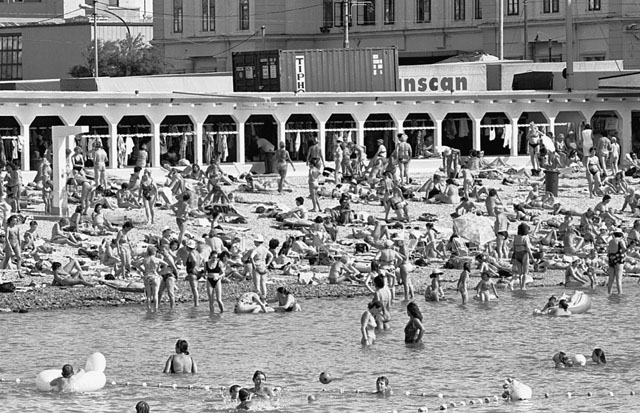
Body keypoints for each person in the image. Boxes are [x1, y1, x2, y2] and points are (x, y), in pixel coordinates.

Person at [141, 246, 165, 312]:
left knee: (148, 295)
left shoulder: (145, 259)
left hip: (147, 276)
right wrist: (160, 271)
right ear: (154, 252)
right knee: (155, 294)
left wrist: (142, 270)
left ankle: (149, 308)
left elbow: (137, 264)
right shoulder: (157, 259)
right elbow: (166, 264)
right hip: (155, 276)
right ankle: (155, 308)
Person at [249, 235, 273, 300]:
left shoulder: (256, 249)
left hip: (257, 265)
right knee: (263, 284)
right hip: (263, 266)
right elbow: (271, 255)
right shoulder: (265, 249)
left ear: (257, 242)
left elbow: (251, 257)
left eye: (255, 241)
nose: (254, 242)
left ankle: (259, 299)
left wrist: (253, 264)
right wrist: (268, 263)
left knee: (257, 284)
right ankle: (264, 298)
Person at [511, 223, 534, 290]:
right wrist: (532, 258)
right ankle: (523, 287)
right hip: (524, 253)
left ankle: (521, 285)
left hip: (517, 254)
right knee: (525, 272)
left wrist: (513, 257)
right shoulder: (526, 237)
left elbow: (514, 248)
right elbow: (528, 248)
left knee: (520, 273)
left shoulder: (516, 237)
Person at [607, 230, 626, 294]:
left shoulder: (610, 241)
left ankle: (609, 293)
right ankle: (620, 293)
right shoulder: (621, 240)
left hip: (611, 258)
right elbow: (624, 249)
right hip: (618, 259)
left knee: (611, 279)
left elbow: (608, 251)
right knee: (618, 279)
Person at [184, 239, 201, 307]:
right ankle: (196, 304)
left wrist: (193, 268)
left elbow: (194, 260)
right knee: (195, 288)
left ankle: (196, 304)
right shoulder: (197, 252)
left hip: (192, 273)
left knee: (194, 289)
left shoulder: (191, 253)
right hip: (197, 272)